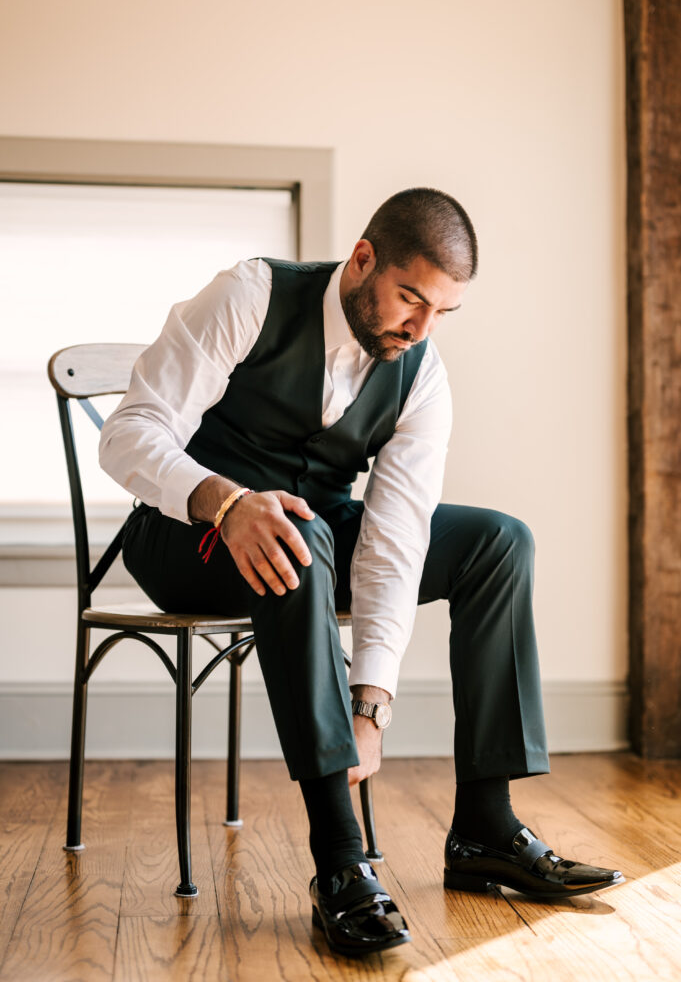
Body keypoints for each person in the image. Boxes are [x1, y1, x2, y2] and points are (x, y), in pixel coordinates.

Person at [100, 188, 622, 957]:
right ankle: (341, 860)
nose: (419, 328)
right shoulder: (250, 295)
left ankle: (485, 828)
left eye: (441, 312)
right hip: (187, 533)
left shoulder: (420, 373)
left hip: (310, 532)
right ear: (363, 259)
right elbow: (128, 434)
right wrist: (226, 501)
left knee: (497, 541)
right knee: (298, 539)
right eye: (410, 298)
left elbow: (393, 538)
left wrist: (370, 705)